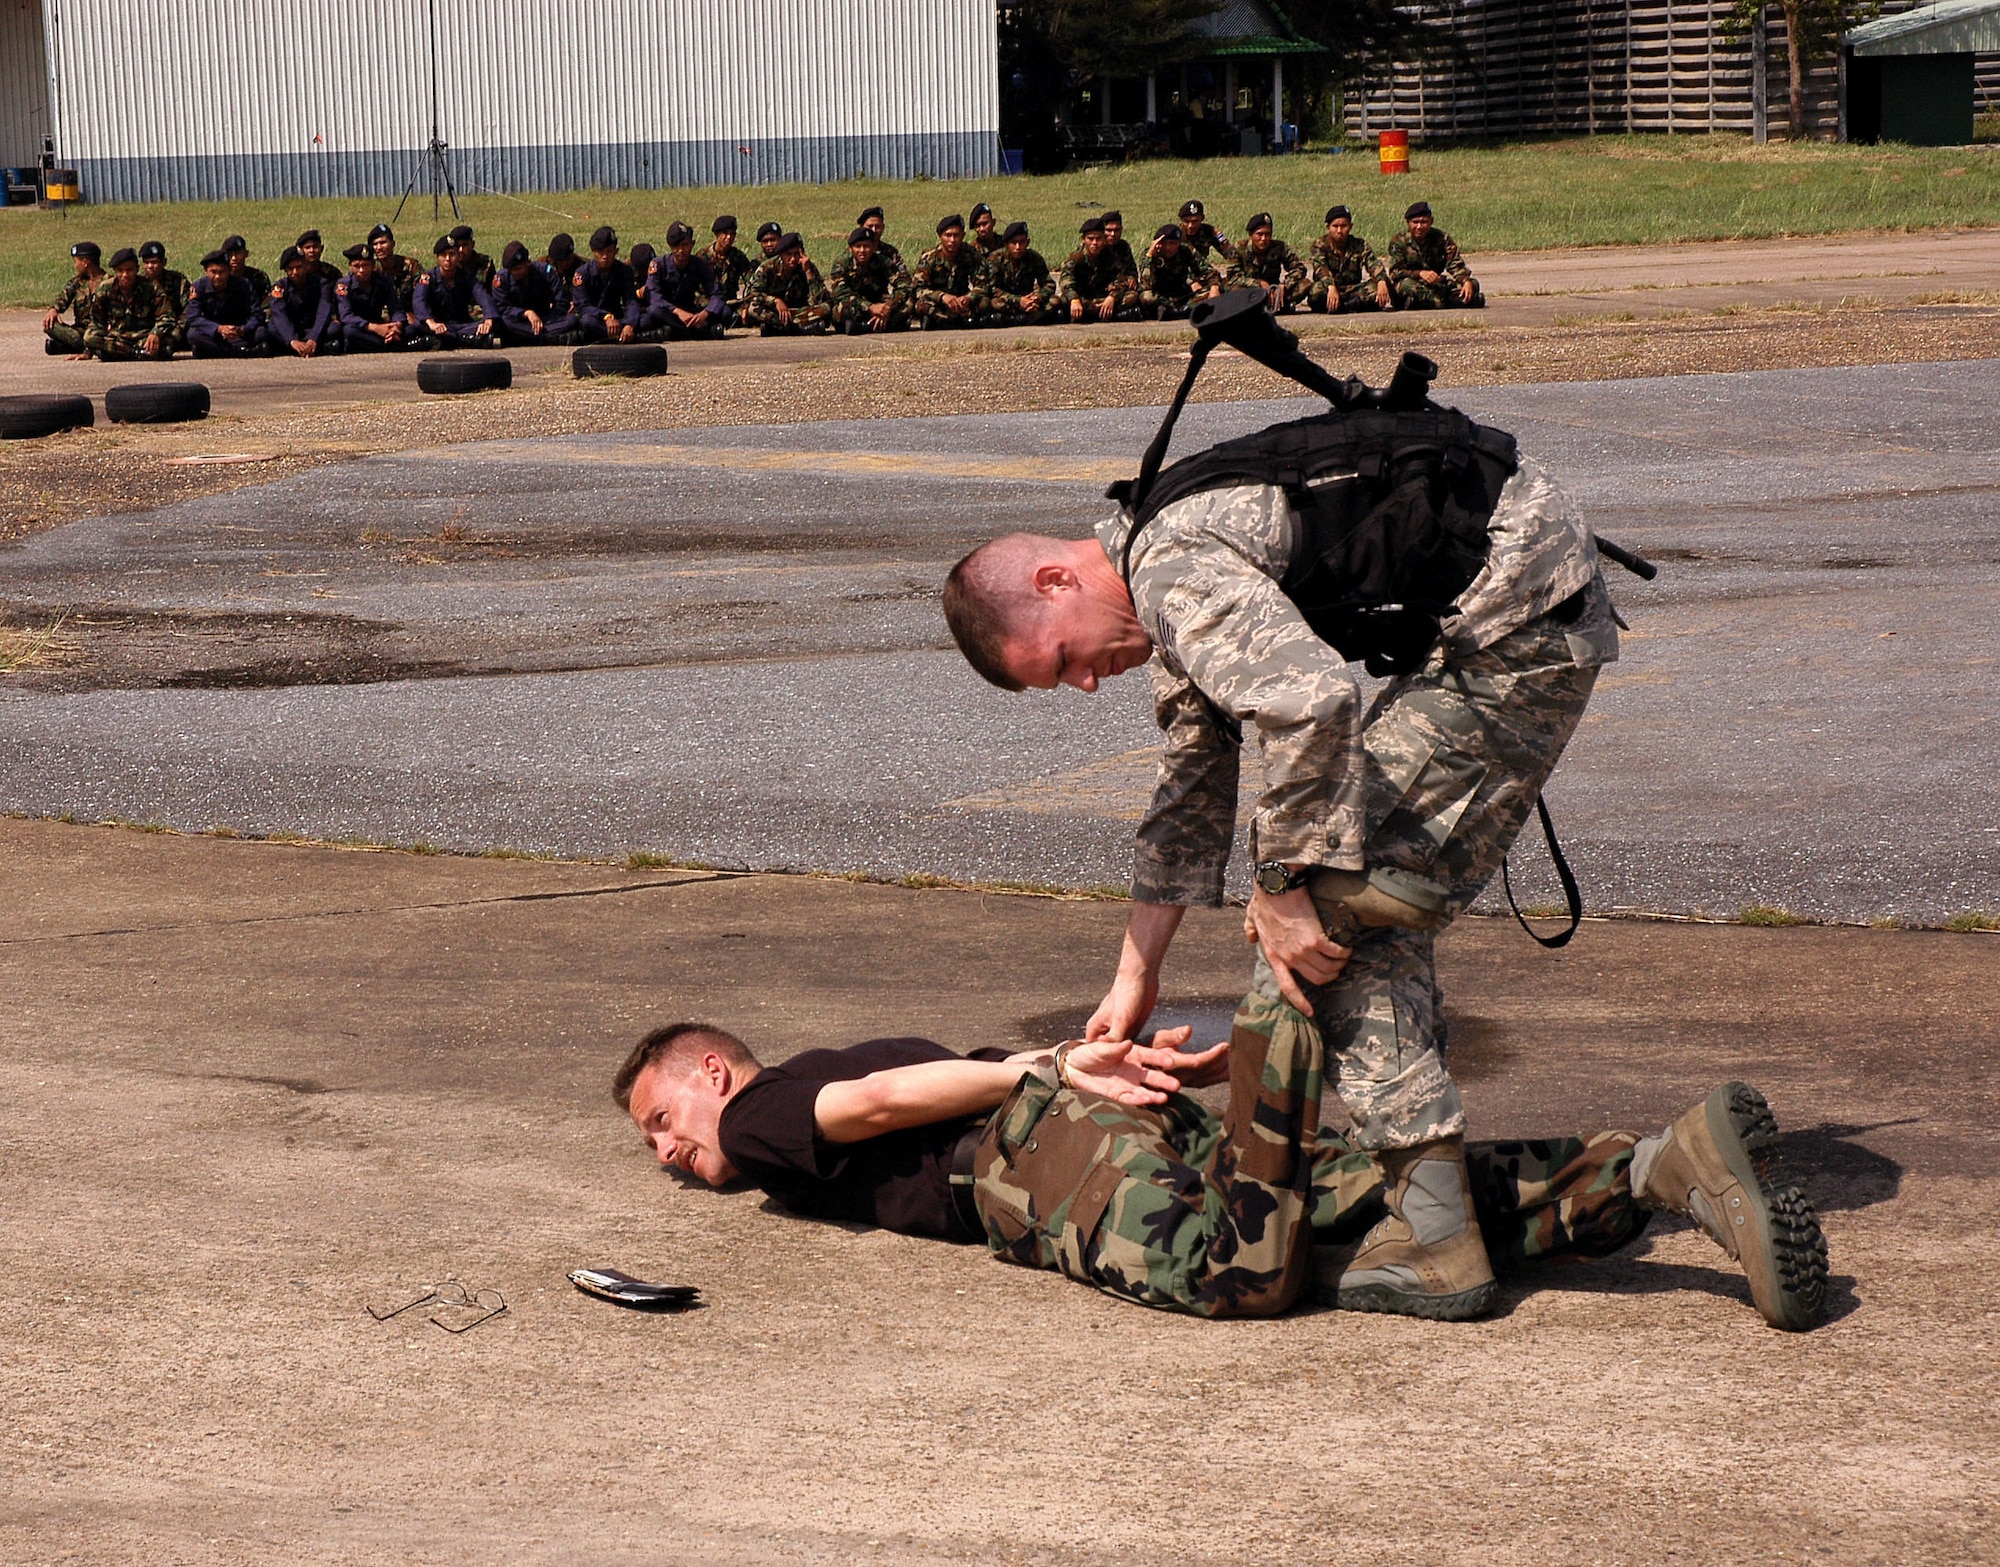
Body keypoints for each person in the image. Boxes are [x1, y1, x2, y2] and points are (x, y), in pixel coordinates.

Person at [941, 368, 1631, 1321]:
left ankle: (1437, 1238)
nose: (1087, 685)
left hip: (1515, 626)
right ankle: (1459, 1221)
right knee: (1348, 919)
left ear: (1055, 581)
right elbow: (1191, 785)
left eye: (1060, 660)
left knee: (1324, 922)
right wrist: (1135, 974)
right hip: (1515, 612)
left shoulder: (1169, 569)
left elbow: (1311, 699)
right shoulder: (1156, 567)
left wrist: (1280, 880)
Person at [614, 1011, 1829, 1330]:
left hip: (1029, 1159)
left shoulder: (769, 1112)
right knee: (1390, 1218)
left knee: (1226, 1274)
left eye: (663, 1118)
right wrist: (1117, 1067)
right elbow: (941, 1074)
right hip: (1068, 1119)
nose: (671, 1152)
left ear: (715, 1072)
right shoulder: (827, 1066)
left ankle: (1282, 1037)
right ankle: (1663, 1165)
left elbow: (878, 1102)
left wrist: (1045, 1065)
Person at [80, 247, 174, 361]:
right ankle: (135, 353)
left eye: (129, 270)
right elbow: (97, 322)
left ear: (137, 269)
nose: (125, 275)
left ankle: (119, 354)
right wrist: (87, 352)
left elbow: (167, 316)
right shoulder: (105, 288)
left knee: (172, 336)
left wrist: (156, 333)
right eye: (120, 270)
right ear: (115, 271)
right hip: (118, 339)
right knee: (90, 336)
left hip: (144, 337)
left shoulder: (151, 287)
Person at [639, 221, 725, 340]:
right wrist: (677, 311)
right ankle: (698, 332)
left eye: (685, 245)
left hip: (691, 312)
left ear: (692, 244)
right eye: (676, 246)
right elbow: (654, 296)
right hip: (669, 312)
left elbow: (716, 294)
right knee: (653, 312)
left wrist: (705, 314)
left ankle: (678, 332)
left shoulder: (700, 265)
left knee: (725, 311)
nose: (680, 250)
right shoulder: (659, 264)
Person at [1388, 201, 1482, 309]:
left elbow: (1454, 264)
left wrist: (1465, 281)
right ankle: (1448, 302)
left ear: (1431, 221)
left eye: (1424, 222)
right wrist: (1420, 273)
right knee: (1406, 286)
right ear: (1408, 222)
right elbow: (1395, 272)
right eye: (1415, 222)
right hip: (1410, 283)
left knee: (1473, 284)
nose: (1419, 226)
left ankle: (1425, 302)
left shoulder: (1442, 238)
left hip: (1435, 284)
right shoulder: (1399, 241)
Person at [414, 234, 500, 346]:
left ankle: (450, 340)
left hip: (462, 325)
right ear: (437, 257)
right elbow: (418, 300)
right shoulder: (429, 278)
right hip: (437, 325)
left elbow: (483, 296)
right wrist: (431, 323)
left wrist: (489, 320)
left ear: (459, 256)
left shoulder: (466, 276)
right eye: (443, 255)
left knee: (497, 324)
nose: (448, 259)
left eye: (452, 254)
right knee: (413, 328)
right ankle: (465, 340)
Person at [737, 232, 829, 335]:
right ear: (781, 254)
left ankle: (778, 328)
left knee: (826, 308)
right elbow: (752, 294)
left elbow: (820, 299)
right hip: (775, 311)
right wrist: (775, 301)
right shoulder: (767, 267)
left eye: (796, 254)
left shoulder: (807, 266)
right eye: (789, 254)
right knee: (753, 309)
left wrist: (808, 273)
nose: (793, 259)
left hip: (797, 311)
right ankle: (799, 328)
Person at [489, 239, 576, 346]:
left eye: (517, 269)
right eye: (510, 270)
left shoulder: (545, 272)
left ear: (528, 263)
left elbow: (561, 301)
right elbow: (502, 307)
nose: (513, 273)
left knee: (572, 320)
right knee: (503, 323)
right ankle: (549, 339)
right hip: (520, 322)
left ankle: (531, 338)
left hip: (546, 321)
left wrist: (546, 320)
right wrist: (526, 313)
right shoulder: (501, 279)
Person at [828, 225, 912, 335]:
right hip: (856, 304)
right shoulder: (842, 264)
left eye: (866, 246)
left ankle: (864, 327)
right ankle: (885, 326)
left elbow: (904, 284)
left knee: (908, 304)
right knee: (840, 309)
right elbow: (840, 293)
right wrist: (869, 307)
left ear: (873, 247)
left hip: (880, 304)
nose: (862, 250)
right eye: (858, 246)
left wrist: (889, 306)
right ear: (850, 248)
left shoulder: (883, 261)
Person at [1308, 205, 1391, 315]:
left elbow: (1373, 264)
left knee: (1377, 288)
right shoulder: (1320, 245)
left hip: (1352, 289)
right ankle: (1351, 306)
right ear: (1328, 227)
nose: (1339, 230)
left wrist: (1381, 281)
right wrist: (1331, 286)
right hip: (1329, 288)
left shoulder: (1360, 245)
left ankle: (1341, 307)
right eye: (1335, 226)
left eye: (1344, 226)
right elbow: (1320, 269)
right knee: (1316, 291)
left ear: (1350, 226)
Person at [184, 248, 267, 357]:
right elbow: (193, 316)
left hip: (238, 333)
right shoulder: (198, 287)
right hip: (214, 333)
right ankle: (239, 351)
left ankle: (214, 351)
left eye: (222, 272)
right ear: (206, 271)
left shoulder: (244, 284)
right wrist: (218, 328)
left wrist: (242, 329)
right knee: (193, 335)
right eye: (213, 272)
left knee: (262, 332)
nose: (218, 277)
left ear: (229, 270)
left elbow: (257, 313)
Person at [1058, 217, 1139, 325]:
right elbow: (1066, 281)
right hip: (1082, 298)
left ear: (1104, 239)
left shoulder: (1110, 256)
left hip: (1102, 298)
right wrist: (1074, 299)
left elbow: (1121, 279)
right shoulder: (1076, 257)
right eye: (1090, 239)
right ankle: (1109, 315)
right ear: (1083, 239)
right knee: (1061, 301)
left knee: (1132, 296)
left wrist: (1112, 297)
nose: (1094, 243)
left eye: (1099, 239)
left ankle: (1088, 315)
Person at [267, 244, 342, 357]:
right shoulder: (280, 287)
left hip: (312, 327)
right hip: (291, 329)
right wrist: (292, 339)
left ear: (306, 265)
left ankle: (307, 347)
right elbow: (279, 314)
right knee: (272, 328)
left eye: (299, 267)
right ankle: (301, 348)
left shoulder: (322, 284)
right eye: (290, 269)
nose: (295, 272)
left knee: (334, 328)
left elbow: (324, 312)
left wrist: (313, 338)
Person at [974, 221, 1054, 328]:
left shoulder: (1034, 258)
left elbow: (1048, 284)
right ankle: (1026, 318)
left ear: (1028, 242)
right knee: (991, 304)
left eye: (1022, 242)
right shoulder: (995, 259)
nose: (1018, 247)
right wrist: (1018, 301)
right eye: (1014, 242)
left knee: (1055, 301)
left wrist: (1037, 297)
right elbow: (992, 289)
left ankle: (1025, 317)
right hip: (1007, 301)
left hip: (1028, 300)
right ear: (1006, 244)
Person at [910, 214, 981, 330]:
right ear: (940, 236)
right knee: (921, 304)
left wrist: (968, 298)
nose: (952, 240)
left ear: (963, 236)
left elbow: (982, 284)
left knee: (984, 303)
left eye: (956, 235)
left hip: (960, 301)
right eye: (948, 235)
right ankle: (948, 320)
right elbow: (918, 289)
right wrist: (942, 296)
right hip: (938, 302)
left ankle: (954, 319)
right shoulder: (930, 257)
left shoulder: (970, 254)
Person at [1228, 212, 1308, 314]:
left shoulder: (1279, 247)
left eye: (1267, 234)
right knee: (1235, 291)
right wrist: (1259, 283)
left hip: (1274, 290)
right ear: (1251, 235)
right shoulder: (1238, 248)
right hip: (1251, 290)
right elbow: (1234, 277)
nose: (1264, 239)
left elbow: (1299, 268)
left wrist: (1284, 285)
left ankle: (1278, 303)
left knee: (1305, 284)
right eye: (1259, 234)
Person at [572, 225, 640, 343]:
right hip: (596, 318)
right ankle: (620, 337)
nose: (605, 256)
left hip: (618, 319)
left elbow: (630, 301)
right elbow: (582, 306)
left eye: (609, 251)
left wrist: (630, 324)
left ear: (616, 251)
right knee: (586, 322)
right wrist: (606, 317)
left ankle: (620, 334)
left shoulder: (625, 270)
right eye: (600, 252)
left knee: (646, 319)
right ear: (593, 252)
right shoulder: (582, 273)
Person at [335, 243, 410, 350]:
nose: (362, 270)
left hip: (380, 323)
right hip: (361, 326)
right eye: (357, 266)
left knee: (410, 328)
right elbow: (346, 316)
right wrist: (373, 327)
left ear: (373, 265)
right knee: (349, 331)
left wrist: (396, 326)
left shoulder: (383, 281)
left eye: (366, 265)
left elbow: (396, 308)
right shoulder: (344, 285)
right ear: (350, 266)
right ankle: (391, 346)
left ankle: (387, 341)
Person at [1137, 224, 1218, 321]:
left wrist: (1214, 286)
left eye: (1172, 243)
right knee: (1146, 297)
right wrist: (1150, 256)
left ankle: (1176, 312)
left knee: (1209, 292)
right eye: (1165, 243)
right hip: (1160, 297)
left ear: (1179, 243)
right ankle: (1184, 311)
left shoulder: (1186, 251)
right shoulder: (1149, 255)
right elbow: (1146, 284)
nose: (1168, 247)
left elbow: (1207, 270)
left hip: (1182, 294)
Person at [43, 240, 104, 355]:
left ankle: (73, 347)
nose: (75, 265)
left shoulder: (108, 282)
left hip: (100, 330)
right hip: (79, 330)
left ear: (85, 262)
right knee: (50, 326)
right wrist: (54, 309)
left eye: (76, 261)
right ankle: (86, 347)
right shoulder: (77, 282)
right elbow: (63, 297)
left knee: (94, 337)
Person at [138, 241, 191, 355]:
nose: (150, 266)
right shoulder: (139, 283)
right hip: (147, 329)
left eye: (154, 262)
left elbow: (189, 308)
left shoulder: (178, 280)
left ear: (164, 262)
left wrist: (178, 327)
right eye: (146, 263)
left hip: (174, 327)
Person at [703, 215, 755, 323]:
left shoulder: (737, 257)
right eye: (725, 233)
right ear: (717, 235)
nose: (729, 237)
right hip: (708, 302)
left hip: (731, 302)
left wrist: (746, 304)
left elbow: (751, 281)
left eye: (732, 234)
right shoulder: (703, 257)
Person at [369, 224, 425, 321]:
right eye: (375, 244)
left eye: (383, 242)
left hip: (409, 315)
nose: (379, 247)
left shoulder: (411, 266)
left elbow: (422, 295)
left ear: (393, 243)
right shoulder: (370, 270)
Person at [1176, 199, 1235, 266]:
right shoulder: (1175, 235)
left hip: (1200, 270)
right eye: (1186, 221)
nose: (1190, 226)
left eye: (1195, 221)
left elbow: (1231, 253)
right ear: (1181, 220)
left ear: (1202, 218)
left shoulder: (1209, 231)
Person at [221, 235, 271, 301]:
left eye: (238, 253)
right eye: (229, 254)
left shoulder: (258, 277)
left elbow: (266, 303)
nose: (234, 258)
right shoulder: (218, 277)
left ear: (246, 254)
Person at [450, 223, 497, 288]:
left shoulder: (485, 264)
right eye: (458, 246)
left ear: (472, 244)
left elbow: (492, 291)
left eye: (465, 245)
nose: (461, 249)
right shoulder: (448, 264)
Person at [856, 205, 902, 271]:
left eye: (877, 227)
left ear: (883, 228)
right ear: (861, 227)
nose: (874, 230)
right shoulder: (854, 252)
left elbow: (903, 277)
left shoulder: (890, 252)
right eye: (870, 226)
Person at [1101, 210, 1138, 279]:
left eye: (1116, 230)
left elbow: (1132, 271)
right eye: (1108, 230)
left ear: (1121, 230)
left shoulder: (1123, 246)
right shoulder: (1095, 248)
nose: (1113, 234)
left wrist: (1132, 278)